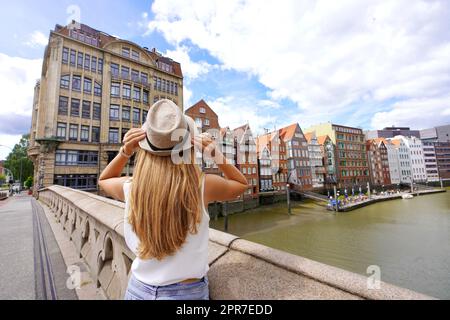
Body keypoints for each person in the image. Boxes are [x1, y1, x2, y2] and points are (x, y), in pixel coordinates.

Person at [98, 99, 248, 300]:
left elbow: (104, 179)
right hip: (187, 294)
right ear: (188, 147)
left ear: (145, 147)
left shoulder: (132, 187)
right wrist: (215, 154)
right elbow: (241, 184)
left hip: (138, 289)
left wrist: (125, 151)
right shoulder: (202, 186)